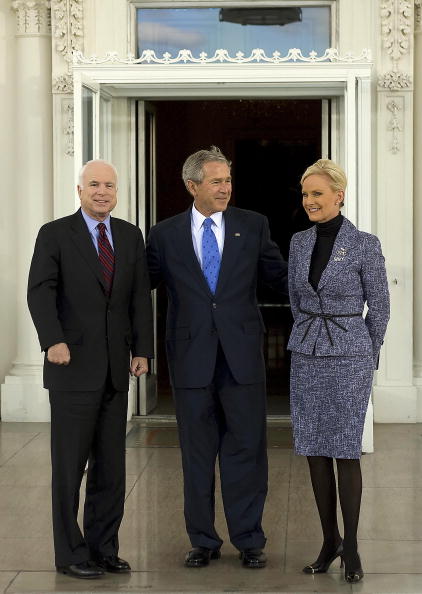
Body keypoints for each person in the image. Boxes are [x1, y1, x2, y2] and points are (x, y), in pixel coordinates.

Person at [146, 146, 288, 568]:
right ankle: (203, 541)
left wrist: (331, 291)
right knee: (196, 454)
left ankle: (249, 540)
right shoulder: (164, 234)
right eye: (216, 182)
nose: (225, 188)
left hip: (242, 357)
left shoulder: (253, 225)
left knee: (247, 450)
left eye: (228, 180)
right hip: (190, 358)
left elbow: (281, 279)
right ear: (193, 186)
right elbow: (139, 291)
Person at [27, 160, 154, 580]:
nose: (102, 192)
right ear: (79, 190)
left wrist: (142, 349)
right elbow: (40, 291)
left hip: (116, 369)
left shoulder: (130, 236)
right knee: (69, 469)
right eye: (94, 184)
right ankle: (70, 554)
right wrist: (53, 340)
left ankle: (104, 549)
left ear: (117, 192)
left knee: (111, 468)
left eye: (109, 185)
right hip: (71, 368)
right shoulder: (54, 234)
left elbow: (139, 297)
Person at [287, 159, 390, 583]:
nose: (309, 201)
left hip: (350, 358)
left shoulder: (364, 244)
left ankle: (352, 546)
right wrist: (308, 334)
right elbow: (296, 300)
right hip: (306, 353)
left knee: (345, 451)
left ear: (339, 195)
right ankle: (329, 541)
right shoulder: (298, 242)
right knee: (314, 450)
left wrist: (366, 354)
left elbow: (379, 308)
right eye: (305, 194)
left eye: (317, 193)